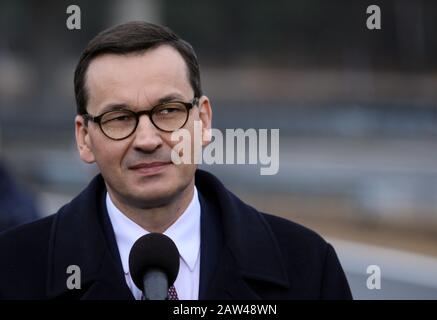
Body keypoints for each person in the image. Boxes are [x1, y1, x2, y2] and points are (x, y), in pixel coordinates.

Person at [0, 21, 352, 300]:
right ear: (84, 137)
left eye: (168, 111)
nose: (148, 140)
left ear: (204, 120)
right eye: (119, 118)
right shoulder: (12, 271)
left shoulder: (307, 268)